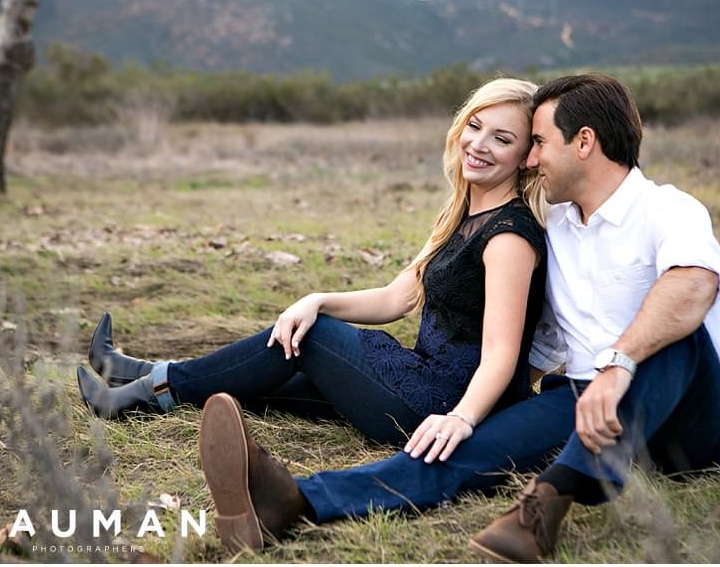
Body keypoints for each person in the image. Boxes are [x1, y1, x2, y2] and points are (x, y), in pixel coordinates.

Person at [196, 73, 720, 558]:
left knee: (673, 335)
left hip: (689, 425)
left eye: (539, 144)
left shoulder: (670, 210)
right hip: (583, 405)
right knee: (460, 448)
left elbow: (692, 288)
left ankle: (553, 492)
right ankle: (294, 504)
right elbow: (542, 338)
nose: (530, 159)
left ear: (584, 142)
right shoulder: (557, 227)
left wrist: (619, 364)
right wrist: (481, 413)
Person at [76, 77, 551, 455]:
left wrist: (460, 420)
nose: (479, 144)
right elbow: (397, 298)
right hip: (419, 378)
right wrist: (316, 298)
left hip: (438, 404)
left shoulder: (508, 235)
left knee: (315, 335)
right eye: (475, 126)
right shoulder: (465, 213)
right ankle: (138, 371)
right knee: (267, 376)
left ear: (527, 157)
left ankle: (140, 393)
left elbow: (502, 357)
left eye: (502, 138)